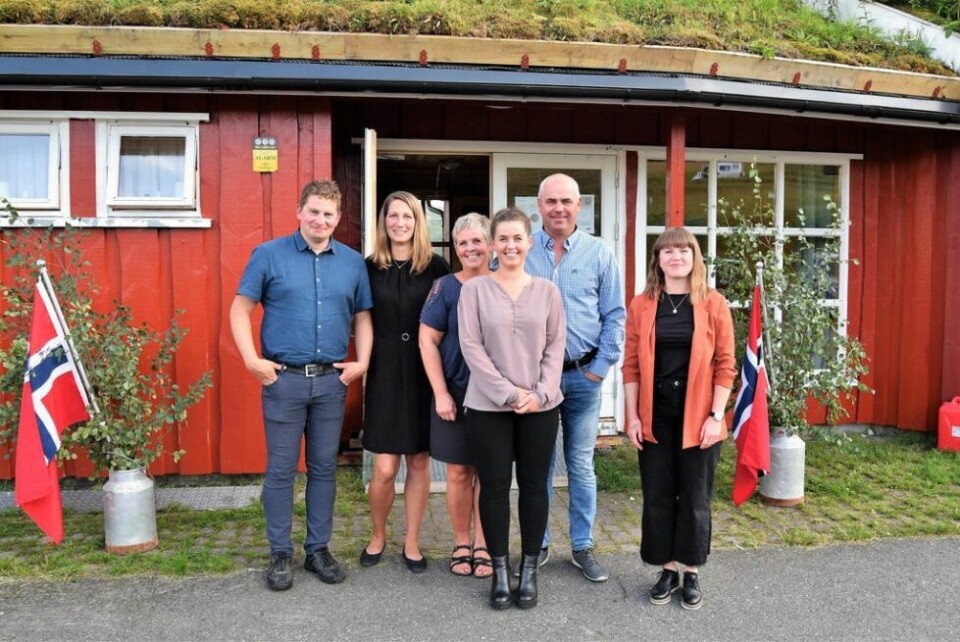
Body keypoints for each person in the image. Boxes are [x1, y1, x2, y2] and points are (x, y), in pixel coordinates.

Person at [230, 179, 373, 591]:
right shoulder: (268, 256)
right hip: (284, 381)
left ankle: (317, 550)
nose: (320, 220)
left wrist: (361, 361)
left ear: (338, 218)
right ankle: (279, 553)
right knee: (280, 469)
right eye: (313, 211)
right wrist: (251, 360)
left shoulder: (351, 262)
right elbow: (240, 310)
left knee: (324, 468)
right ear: (299, 211)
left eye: (328, 214)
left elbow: (363, 316)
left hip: (331, 381)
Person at [622, 226, 736, 610]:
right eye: (667, 251)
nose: (675, 257)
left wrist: (715, 416)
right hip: (656, 415)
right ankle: (667, 568)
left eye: (683, 251)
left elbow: (725, 366)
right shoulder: (642, 304)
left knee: (694, 496)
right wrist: (633, 417)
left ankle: (691, 571)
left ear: (694, 257)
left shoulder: (713, 303)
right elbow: (632, 365)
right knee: (657, 494)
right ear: (658, 259)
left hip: (700, 415)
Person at [458, 207, 566, 610]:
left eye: (517, 238)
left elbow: (556, 345)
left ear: (530, 241)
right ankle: (500, 571)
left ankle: (530, 570)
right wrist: (508, 394)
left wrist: (539, 393)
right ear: (491, 246)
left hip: (541, 406)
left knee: (536, 487)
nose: (510, 245)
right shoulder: (475, 291)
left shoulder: (548, 292)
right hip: (488, 406)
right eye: (502, 239)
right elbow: (472, 347)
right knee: (495, 487)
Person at [525, 173, 625, 583]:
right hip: (536, 381)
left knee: (581, 465)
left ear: (580, 205)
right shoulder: (521, 250)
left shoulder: (599, 253)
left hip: (584, 377)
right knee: (539, 467)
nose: (559, 209)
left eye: (566, 201)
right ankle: (540, 542)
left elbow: (615, 316)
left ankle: (582, 546)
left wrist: (600, 368)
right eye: (551, 201)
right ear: (539, 205)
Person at [361, 191, 450, 573]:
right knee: (383, 468)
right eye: (392, 216)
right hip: (383, 371)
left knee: (418, 462)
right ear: (384, 221)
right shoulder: (368, 267)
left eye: (407, 216)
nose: (399, 223)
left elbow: (450, 319)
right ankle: (377, 534)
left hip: (422, 371)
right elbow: (359, 317)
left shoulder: (435, 267)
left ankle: (412, 542)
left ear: (418, 222)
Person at [419, 213, 493, 578]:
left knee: (489, 473)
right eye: (462, 242)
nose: (470, 248)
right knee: (460, 473)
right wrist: (441, 393)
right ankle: (462, 541)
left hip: (496, 397)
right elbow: (427, 340)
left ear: (490, 244)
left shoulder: (503, 284)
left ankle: (484, 543)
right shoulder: (445, 287)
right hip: (455, 393)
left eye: (477, 240)